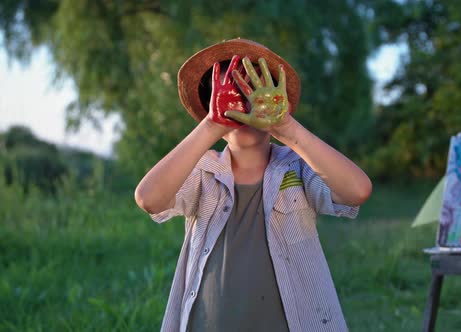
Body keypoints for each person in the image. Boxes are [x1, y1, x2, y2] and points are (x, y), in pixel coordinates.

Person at [134, 38, 372, 332]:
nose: (244, 110)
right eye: (232, 98)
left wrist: (286, 128)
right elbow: (149, 198)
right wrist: (212, 124)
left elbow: (357, 191)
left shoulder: (297, 167)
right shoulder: (202, 172)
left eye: (254, 97)